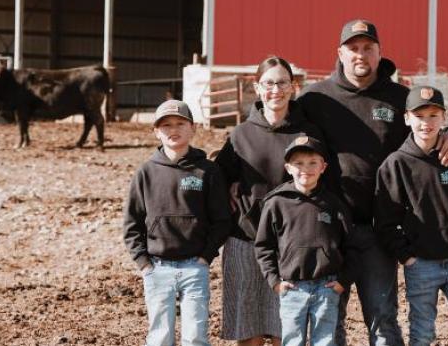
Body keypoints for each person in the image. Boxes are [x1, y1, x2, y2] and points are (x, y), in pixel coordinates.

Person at [298, 19, 448, 346]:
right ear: (340, 53)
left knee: (383, 317)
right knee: (327, 318)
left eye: (368, 48)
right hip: (329, 228)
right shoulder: (315, 99)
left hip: (379, 230)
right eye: (354, 48)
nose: (361, 55)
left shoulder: (399, 98)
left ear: (379, 52)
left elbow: (428, 128)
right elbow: (281, 138)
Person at [214, 56, 325, 345]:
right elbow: (218, 179)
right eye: (269, 83)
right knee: (248, 329)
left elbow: (324, 180)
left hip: (291, 244)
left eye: (282, 83)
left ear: (293, 87)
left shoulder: (307, 134)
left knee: (285, 330)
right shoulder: (240, 135)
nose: (275, 89)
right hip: (245, 241)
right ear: (257, 88)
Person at [374, 86, 448, 346]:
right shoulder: (396, 165)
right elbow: (385, 222)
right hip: (421, 266)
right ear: (406, 118)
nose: (426, 123)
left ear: (444, 118)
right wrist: (408, 257)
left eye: (433, 115)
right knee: (422, 335)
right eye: (419, 116)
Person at [122, 99, 234, 346]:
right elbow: (132, 223)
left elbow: (222, 220)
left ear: (192, 128)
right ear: (156, 132)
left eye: (180, 123)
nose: (174, 130)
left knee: (195, 337)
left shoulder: (207, 171)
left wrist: (205, 256)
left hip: (195, 267)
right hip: (157, 267)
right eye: (166, 125)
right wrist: (144, 263)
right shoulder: (146, 172)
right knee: (160, 336)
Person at [255, 136, 353, 346]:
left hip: (326, 286)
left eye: (312, 163)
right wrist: (274, 281)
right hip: (292, 287)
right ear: (288, 167)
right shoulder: (276, 203)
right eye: (298, 163)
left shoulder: (333, 203)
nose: (305, 169)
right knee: (291, 340)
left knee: (325, 341)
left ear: (323, 167)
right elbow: (264, 246)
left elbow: (350, 245)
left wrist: (343, 280)